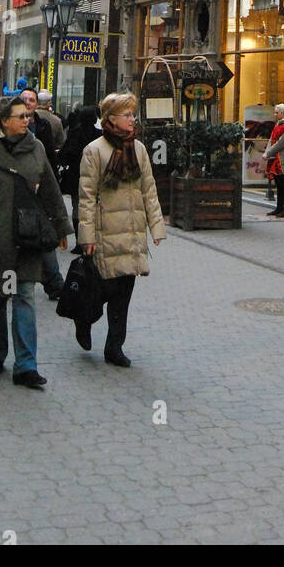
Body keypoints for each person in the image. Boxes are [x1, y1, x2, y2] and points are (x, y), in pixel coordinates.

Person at [0, 98, 71, 389]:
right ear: (4, 121)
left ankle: (26, 365)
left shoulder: (36, 149)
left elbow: (51, 191)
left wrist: (60, 228)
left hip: (27, 237)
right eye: (20, 116)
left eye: (28, 115)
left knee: (25, 296)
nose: (27, 120)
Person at [77, 91, 165, 366]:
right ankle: (84, 318)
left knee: (124, 292)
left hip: (132, 231)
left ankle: (115, 347)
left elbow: (148, 189)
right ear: (110, 119)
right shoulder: (94, 150)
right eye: (126, 115)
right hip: (105, 232)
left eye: (132, 114)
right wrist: (86, 236)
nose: (131, 119)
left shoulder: (138, 148)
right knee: (102, 290)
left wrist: (156, 227)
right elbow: (86, 196)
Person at [18, 89, 63, 300]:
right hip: (14, 199)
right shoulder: (3, 133)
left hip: (39, 195)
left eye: (31, 100)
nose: (28, 103)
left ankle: (55, 284)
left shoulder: (43, 127)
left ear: (37, 104)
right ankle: (9, 285)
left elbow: (49, 164)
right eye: (24, 100)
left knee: (44, 237)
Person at [59, 104, 101, 241]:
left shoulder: (74, 133)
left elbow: (67, 152)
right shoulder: (99, 135)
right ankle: (91, 236)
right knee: (93, 205)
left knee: (77, 205)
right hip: (95, 176)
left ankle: (79, 240)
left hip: (76, 175)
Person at [260, 103, 284, 218]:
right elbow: (272, 140)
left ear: (282, 113)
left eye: (276, 112)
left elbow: (280, 143)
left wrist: (268, 153)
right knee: (279, 184)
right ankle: (279, 208)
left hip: (283, 159)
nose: (275, 114)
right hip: (276, 158)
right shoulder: (279, 125)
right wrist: (268, 152)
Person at [36, 89, 65, 154]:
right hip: (49, 156)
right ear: (49, 103)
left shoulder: (29, 116)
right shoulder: (56, 121)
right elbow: (60, 143)